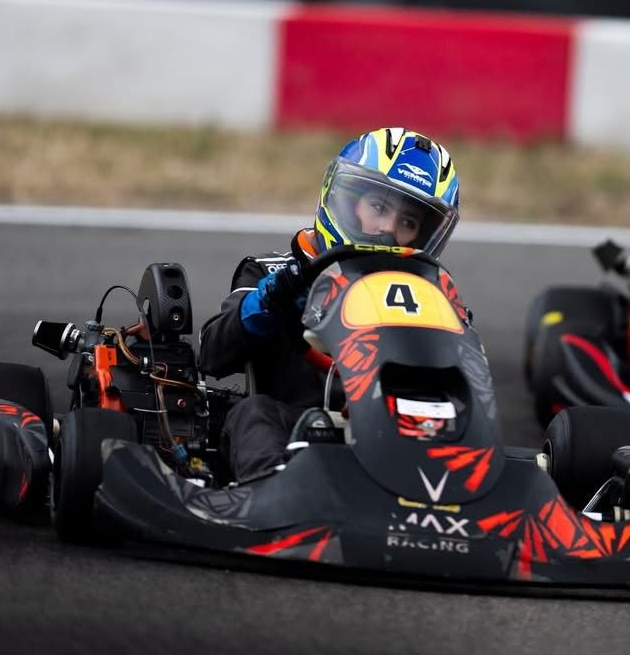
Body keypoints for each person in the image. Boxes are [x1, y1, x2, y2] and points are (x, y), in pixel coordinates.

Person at [197, 127, 461, 481]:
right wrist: (273, 298)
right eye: (379, 207)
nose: (387, 229)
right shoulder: (271, 273)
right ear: (346, 200)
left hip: (393, 436)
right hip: (292, 434)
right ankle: (276, 491)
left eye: (408, 222)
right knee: (252, 412)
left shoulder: (426, 299)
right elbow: (212, 354)